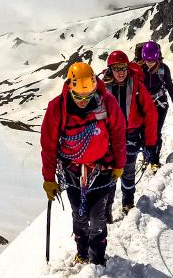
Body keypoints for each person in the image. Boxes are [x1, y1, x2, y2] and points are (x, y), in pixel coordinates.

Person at [40, 61, 126, 266]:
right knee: (79, 215)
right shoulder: (57, 109)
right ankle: (82, 252)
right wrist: (48, 178)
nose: (83, 101)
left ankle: (97, 257)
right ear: (70, 87)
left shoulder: (106, 102)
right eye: (78, 96)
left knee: (97, 218)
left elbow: (118, 134)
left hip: (101, 169)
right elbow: (49, 145)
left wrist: (119, 164)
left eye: (87, 96)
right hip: (72, 171)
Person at [99, 50, 158, 218]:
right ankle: (106, 211)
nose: (121, 72)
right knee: (109, 175)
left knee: (128, 171)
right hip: (110, 139)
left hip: (131, 135)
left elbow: (151, 113)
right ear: (110, 69)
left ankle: (128, 203)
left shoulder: (137, 85)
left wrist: (150, 143)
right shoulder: (103, 88)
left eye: (123, 68)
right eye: (117, 68)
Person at [137, 41, 173, 155]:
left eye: (152, 60)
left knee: (156, 132)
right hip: (144, 103)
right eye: (147, 60)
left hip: (159, 103)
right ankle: (147, 151)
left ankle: (154, 159)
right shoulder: (139, 68)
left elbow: (169, 86)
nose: (149, 63)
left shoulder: (163, 69)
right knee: (143, 131)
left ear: (157, 57)